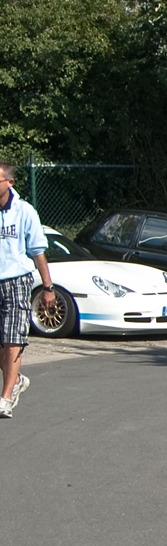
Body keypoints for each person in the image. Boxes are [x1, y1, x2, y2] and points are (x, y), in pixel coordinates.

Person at [0, 163, 57, 418]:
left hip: (16, 281)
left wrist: (48, 288)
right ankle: (18, 380)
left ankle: (5, 397)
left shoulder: (25, 212)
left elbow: (37, 252)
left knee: (13, 339)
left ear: (9, 183)